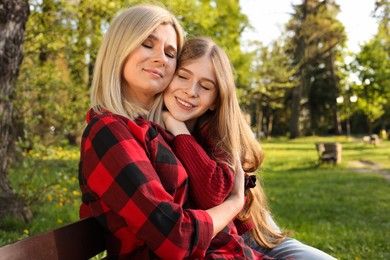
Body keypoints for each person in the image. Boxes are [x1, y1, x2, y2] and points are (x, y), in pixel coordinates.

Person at [78, 4, 265, 259]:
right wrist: (233, 203)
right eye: (147, 44)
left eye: (170, 52)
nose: (160, 58)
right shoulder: (108, 131)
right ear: (120, 47)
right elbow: (176, 238)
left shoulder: (163, 126)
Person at [160, 37, 337, 260]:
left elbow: (212, 194)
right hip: (220, 240)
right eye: (183, 76)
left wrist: (179, 130)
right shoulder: (151, 131)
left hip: (252, 233)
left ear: (215, 100)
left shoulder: (218, 132)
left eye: (205, 86)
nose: (190, 91)